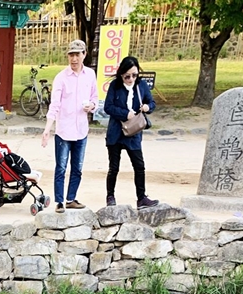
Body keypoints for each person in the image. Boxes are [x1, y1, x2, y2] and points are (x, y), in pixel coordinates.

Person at [41, 39, 97, 213]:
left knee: (77, 167)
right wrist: (47, 128)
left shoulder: (90, 75)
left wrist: (92, 106)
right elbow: (55, 105)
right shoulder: (61, 78)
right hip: (64, 130)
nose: (74, 59)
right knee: (61, 167)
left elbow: (95, 97)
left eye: (77, 55)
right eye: (71, 55)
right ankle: (59, 201)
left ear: (84, 55)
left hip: (81, 129)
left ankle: (71, 198)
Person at [104, 56, 158, 209]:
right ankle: (110, 196)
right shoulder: (115, 85)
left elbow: (152, 102)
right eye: (127, 76)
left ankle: (141, 198)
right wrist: (124, 113)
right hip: (116, 132)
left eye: (134, 75)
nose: (131, 79)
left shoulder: (141, 85)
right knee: (114, 167)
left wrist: (148, 107)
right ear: (121, 74)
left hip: (134, 132)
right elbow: (108, 107)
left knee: (139, 166)